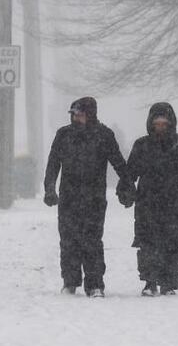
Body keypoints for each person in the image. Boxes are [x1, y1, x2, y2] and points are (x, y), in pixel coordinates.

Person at [44, 97, 134, 297]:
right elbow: (53, 164)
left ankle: (95, 284)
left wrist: (127, 185)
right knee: (68, 241)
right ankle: (70, 282)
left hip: (94, 199)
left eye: (81, 115)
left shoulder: (104, 135)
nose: (77, 118)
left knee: (92, 241)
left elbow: (118, 163)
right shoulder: (63, 135)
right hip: (68, 198)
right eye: (74, 115)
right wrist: (49, 188)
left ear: (90, 115)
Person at [126, 102, 178, 296]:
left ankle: (169, 283)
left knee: (173, 242)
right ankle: (150, 281)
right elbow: (130, 173)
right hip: (147, 203)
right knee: (147, 243)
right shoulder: (142, 145)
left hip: (176, 203)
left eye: (164, 123)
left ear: (171, 123)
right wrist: (126, 191)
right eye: (157, 123)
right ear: (151, 124)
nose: (160, 127)